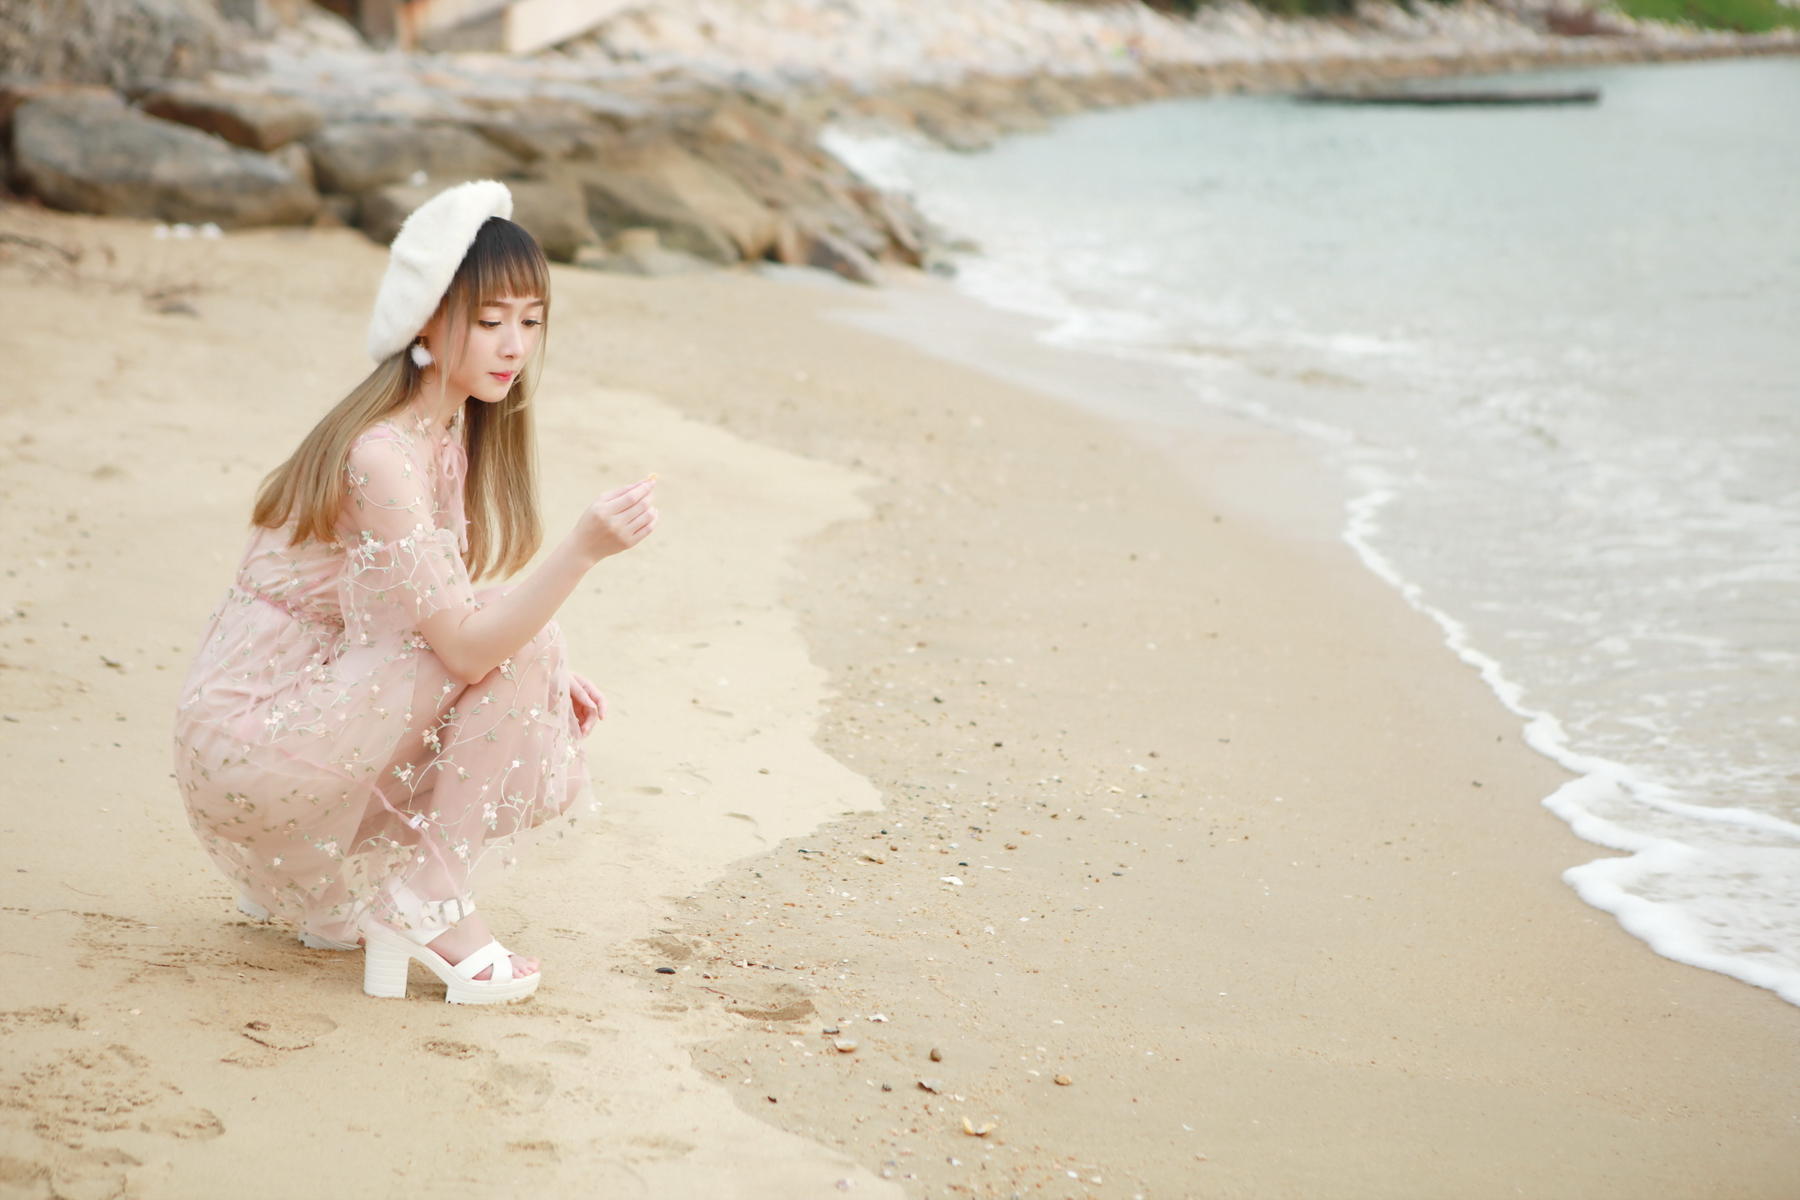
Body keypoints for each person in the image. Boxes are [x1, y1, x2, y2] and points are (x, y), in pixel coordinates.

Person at [171, 180, 657, 1005]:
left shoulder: (441, 430)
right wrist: (581, 552)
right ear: (428, 320)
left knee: (527, 652)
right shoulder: (381, 452)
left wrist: (535, 670)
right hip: (252, 743)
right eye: (491, 320)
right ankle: (430, 901)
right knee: (522, 644)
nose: (514, 346)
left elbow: (439, 606)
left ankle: (383, 894)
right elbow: (462, 646)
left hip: (292, 714)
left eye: (531, 322)